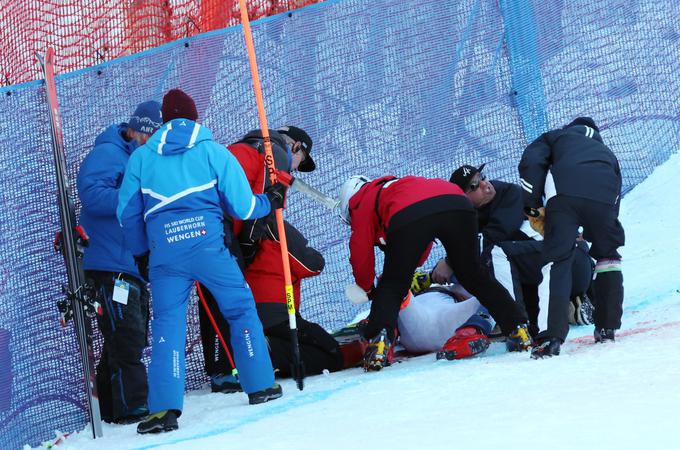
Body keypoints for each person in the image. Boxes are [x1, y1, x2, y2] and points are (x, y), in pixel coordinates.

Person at [117, 89, 284, 434]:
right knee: (239, 310)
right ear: (195, 118)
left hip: (166, 255)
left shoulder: (142, 159)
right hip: (210, 249)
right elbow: (242, 207)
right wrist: (270, 201)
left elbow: (126, 214)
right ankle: (261, 385)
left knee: (168, 326)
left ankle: (164, 410)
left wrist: (142, 253)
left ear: (164, 119)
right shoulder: (213, 151)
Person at [338, 174, 532, 371]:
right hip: (458, 204)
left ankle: (379, 344)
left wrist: (367, 288)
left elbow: (360, 251)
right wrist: (409, 265)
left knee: (392, 284)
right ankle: (517, 328)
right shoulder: (398, 186)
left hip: (411, 214)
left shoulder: (360, 202)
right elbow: (422, 241)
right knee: (474, 274)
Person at [201, 126, 342, 391]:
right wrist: (247, 250)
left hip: (203, 219)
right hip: (224, 225)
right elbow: (261, 212)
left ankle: (220, 369)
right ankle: (239, 361)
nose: (295, 170)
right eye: (301, 161)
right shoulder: (275, 154)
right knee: (233, 296)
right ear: (296, 147)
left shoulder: (244, 147)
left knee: (211, 298)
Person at [427, 164, 594, 337]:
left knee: (497, 253)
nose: (485, 184)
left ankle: (515, 325)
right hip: (548, 273)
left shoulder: (510, 194)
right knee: (494, 267)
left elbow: (491, 238)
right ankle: (572, 307)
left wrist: (449, 262)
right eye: (474, 186)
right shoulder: (469, 216)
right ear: (464, 197)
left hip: (572, 262)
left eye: (482, 177)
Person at [76, 100, 162, 424]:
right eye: (150, 137)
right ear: (139, 130)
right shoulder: (109, 153)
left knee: (127, 337)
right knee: (126, 337)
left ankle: (113, 408)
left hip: (130, 264)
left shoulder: (140, 158)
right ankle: (134, 408)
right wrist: (133, 197)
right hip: (110, 264)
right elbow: (91, 192)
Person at [518, 117, 625, 358]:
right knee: (608, 258)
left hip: (565, 196)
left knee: (557, 260)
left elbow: (532, 160)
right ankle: (607, 328)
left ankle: (550, 338)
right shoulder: (606, 151)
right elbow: (616, 189)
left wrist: (532, 204)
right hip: (604, 201)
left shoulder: (555, 136)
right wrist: (602, 224)